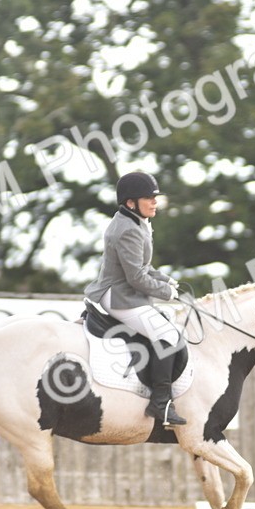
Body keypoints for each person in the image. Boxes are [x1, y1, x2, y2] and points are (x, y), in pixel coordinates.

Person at [84, 171, 187, 427]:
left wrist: (166, 279)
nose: (155, 203)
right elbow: (136, 278)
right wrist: (167, 293)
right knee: (168, 335)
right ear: (131, 202)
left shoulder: (135, 221)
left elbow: (145, 267)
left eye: (155, 198)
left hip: (126, 290)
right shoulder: (127, 230)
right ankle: (160, 403)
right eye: (149, 198)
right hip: (119, 295)